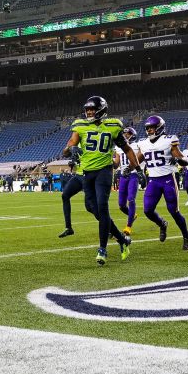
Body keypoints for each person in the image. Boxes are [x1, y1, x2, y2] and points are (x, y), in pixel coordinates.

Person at [62, 96, 137, 265]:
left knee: (102, 207)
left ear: (101, 110)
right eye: (87, 110)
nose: (89, 113)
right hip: (87, 173)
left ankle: (102, 249)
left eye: (92, 110)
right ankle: (122, 240)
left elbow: (127, 148)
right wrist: (69, 149)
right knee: (93, 208)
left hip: (104, 171)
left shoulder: (113, 126)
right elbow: (71, 143)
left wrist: (138, 169)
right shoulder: (80, 125)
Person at [134, 115, 188, 250]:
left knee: (174, 211)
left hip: (168, 179)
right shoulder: (143, 143)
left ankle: (186, 237)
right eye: (147, 128)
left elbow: (183, 159)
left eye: (152, 128)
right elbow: (138, 159)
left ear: (159, 127)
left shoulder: (169, 140)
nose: (149, 130)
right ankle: (162, 224)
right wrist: (130, 168)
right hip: (153, 181)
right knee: (148, 210)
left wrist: (178, 160)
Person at [115, 126, 140, 237]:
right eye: (124, 134)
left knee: (131, 199)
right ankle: (132, 215)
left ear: (133, 135)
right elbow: (116, 164)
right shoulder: (119, 147)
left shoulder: (137, 146)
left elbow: (140, 159)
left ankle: (128, 226)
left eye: (128, 134)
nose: (125, 135)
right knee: (121, 205)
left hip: (133, 174)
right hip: (122, 175)